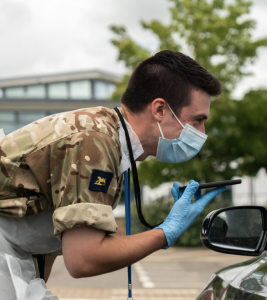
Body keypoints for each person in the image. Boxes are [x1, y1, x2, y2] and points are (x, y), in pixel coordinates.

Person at [0, 50, 225, 299]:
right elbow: (83, 259)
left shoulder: (110, 140)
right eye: (197, 120)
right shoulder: (95, 141)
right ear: (160, 109)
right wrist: (166, 232)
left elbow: (47, 242)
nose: (203, 132)